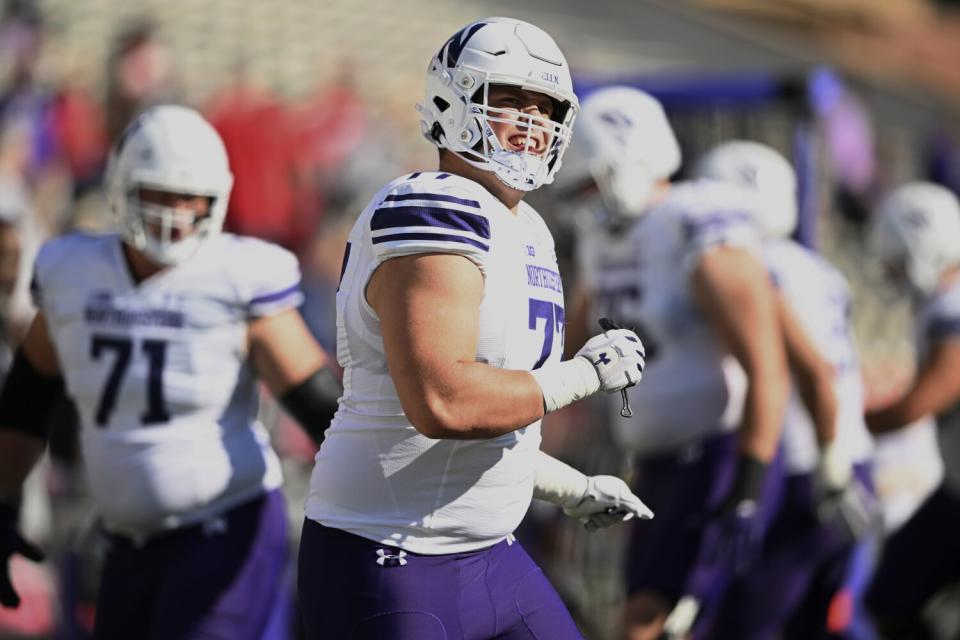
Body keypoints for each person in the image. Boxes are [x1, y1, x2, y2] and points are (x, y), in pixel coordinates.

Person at [297, 17, 650, 640]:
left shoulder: (531, 230)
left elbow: (491, 426)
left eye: (544, 108)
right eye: (508, 101)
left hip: (492, 553)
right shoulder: (430, 207)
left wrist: (570, 487)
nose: (530, 123)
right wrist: (587, 373)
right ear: (450, 102)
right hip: (392, 555)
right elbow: (444, 402)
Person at [0, 104, 342, 639]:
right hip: (126, 537)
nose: (177, 211)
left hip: (226, 528)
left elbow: (321, 406)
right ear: (122, 189)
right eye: (160, 193)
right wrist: (3, 504)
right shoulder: (75, 272)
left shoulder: (237, 276)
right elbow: (25, 400)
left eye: (192, 196)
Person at [563, 87, 790, 640]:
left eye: (591, 182)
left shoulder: (695, 225)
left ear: (628, 161)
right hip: (657, 462)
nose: (585, 201)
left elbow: (767, 364)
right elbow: (569, 349)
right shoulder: (603, 240)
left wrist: (748, 484)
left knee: (653, 622)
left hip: (714, 455)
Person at [692, 140, 878, 639]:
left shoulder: (759, 267)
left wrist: (829, 469)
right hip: (842, 453)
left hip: (805, 465)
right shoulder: (817, 268)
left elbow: (814, 372)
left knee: (747, 622)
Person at [863, 182, 960, 638]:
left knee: (894, 594)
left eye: (898, 258)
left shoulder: (952, 303)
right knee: (891, 595)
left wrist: (852, 423)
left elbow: (927, 398)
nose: (892, 270)